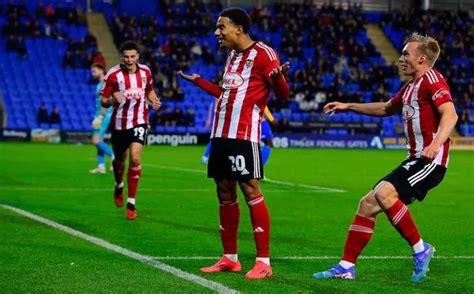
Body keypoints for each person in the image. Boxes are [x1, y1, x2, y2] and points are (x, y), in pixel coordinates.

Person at [314, 33, 458, 283]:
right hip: (415, 159)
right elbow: (385, 108)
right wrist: (348, 106)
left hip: (430, 161)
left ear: (421, 59)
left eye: (406, 54)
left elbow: (451, 114)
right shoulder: (410, 86)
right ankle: (346, 266)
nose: (401, 58)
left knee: (383, 193)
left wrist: (435, 144)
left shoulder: (432, 80)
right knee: (368, 204)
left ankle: (421, 249)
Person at [178, 7, 289, 279]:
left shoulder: (264, 54)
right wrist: (200, 82)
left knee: (250, 189)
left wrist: (279, 79)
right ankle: (230, 258)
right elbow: (225, 93)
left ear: (238, 28)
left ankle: (263, 262)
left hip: (244, 134)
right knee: (224, 192)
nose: (217, 32)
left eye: (221, 27)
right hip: (220, 134)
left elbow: (284, 95)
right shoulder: (231, 56)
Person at [100, 40, 161, 220]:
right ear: (121, 57)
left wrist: (154, 99)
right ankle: (119, 185)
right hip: (119, 124)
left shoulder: (145, 72)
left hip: (139, 121)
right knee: (120, 159)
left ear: (138, 57)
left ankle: (131, 202)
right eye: (126, 57)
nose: (129, 60)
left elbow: (148, 91)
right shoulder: (113, 75)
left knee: (135, 158)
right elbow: (103, 100)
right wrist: (112, 100)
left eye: (132, 56)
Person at [89, 63, 115, 174]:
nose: (92, 73)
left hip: (104, 115)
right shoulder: (99, 84)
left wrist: (100, 117)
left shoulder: (105, 83)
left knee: (95, 140)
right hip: (98, 114)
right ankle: (101, 166)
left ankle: (115, 158)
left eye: (94, 71)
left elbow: (107, 102)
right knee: (99, 140)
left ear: (101, 70)